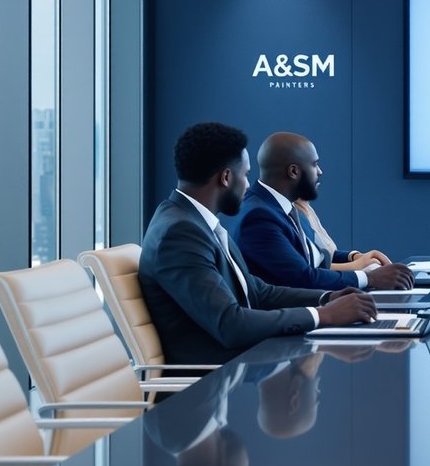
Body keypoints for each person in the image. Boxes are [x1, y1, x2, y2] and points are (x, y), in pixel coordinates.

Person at [139, 122, 376, 366]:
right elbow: (230, 324)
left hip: (245, 363)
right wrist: (322, 315)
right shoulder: (180, 233)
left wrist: (327, 298)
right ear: (226, 177)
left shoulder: (193, 221)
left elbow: (257, 291)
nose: (248, 185)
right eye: (246, 174)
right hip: (216, 381)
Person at [236, 132, 413, 291]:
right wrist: (369, 277)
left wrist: (355, 258)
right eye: (315, 165)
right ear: (293, 171)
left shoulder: (282, 206)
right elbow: (303, 278)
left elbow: (316, 256)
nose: (320, 172)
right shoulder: (259, 217)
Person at [294, 199, 391, 274]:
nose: (319, 172)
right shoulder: (293, 215)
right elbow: (311, 267)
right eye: (314, 171)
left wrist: (353, 256)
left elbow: (324, 254)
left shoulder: (306, 208)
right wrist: (357, 265)